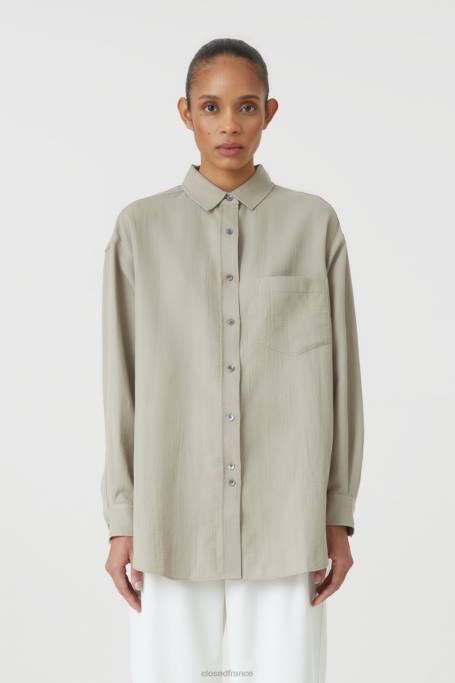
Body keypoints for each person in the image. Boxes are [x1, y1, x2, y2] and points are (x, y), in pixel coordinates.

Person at [100, 37, 365, 683]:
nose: (228, 125)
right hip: (172, 518)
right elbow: (120, 384)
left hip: (287, 521)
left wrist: (337, 512)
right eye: (211, 107)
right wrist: (123, 518)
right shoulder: (140, 229)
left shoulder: (313, 225)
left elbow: (342, 383)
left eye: (246, 107)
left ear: (269, 113)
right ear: (185, 113)